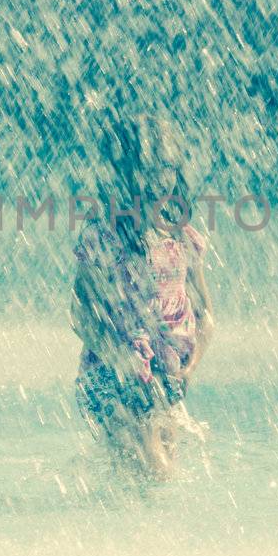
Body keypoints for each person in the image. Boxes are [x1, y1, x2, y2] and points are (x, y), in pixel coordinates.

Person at [70, 116, 214, 478]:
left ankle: (124, 529)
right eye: (145, 171)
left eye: (164, 170)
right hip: (109, 371)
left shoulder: (183, 241)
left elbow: (205, 316)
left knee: (153, 470)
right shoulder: (101, 240)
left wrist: (189, 368)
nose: (156, 182)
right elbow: (79, 312)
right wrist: (119, 358)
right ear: (123, 174)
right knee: (150, 461)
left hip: (166, 374)